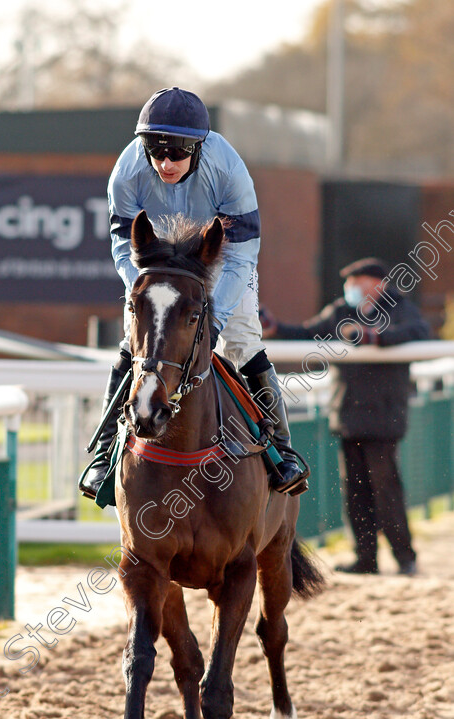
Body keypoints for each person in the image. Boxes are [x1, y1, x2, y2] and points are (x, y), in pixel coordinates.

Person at [80, 86, 308, 500]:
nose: (165, 163)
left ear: (199, 148)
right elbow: (121, 244)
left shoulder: (228, 168)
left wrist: (215, 314)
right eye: (156, 152)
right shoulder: (127, 169)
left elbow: (240, 257)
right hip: (157, 264)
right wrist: (142, 288)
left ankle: (279, 449)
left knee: (242, 341)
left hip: (219, 261)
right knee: (134, 344)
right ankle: (104, 454)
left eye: (177, 154)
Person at [261, 257, 431, 576]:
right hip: (349, 415)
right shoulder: (340, 311)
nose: (351, 288)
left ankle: (404, 557)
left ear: (379, 285)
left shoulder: (400, 308)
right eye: (349, 283)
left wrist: (374, 338)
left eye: (359, 282)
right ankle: (365, 558)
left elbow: (418, 331)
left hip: (384, 416)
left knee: (386, 488)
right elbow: (308, 332)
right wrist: (274, 327)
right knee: (354, 490)